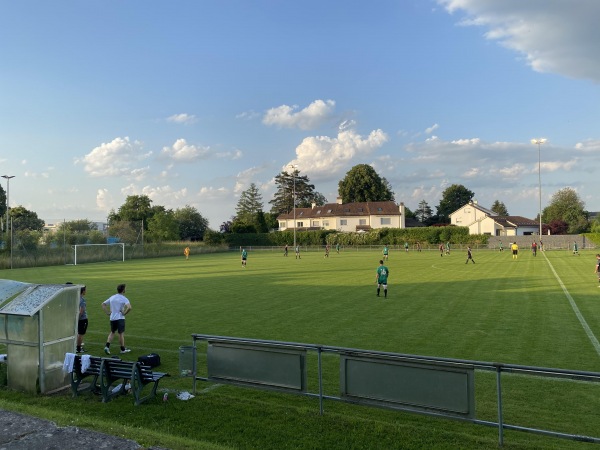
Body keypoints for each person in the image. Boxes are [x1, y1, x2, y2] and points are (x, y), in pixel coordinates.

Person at [102, 284, 132, 355]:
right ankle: (122, 349)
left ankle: (107, 346)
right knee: (121, 333)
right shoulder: (124, 298)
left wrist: (107, 312)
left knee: (112, 332)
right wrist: (124, 313)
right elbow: (129, 307)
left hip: (112, 318)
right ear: (123, 290)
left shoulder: (112, 297)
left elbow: (103, 304)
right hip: (120, 318)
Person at [76, 286, 88, 353]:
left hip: (78, 319)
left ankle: (78, 346)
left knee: (79, 333)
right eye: (85, 290)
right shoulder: (82, 300)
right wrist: (78, 318)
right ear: (83, 291)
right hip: (82, 319)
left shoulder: (76, 298)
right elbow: (81, 311)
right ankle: (78, 348)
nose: (86, 291)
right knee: (81, 334)